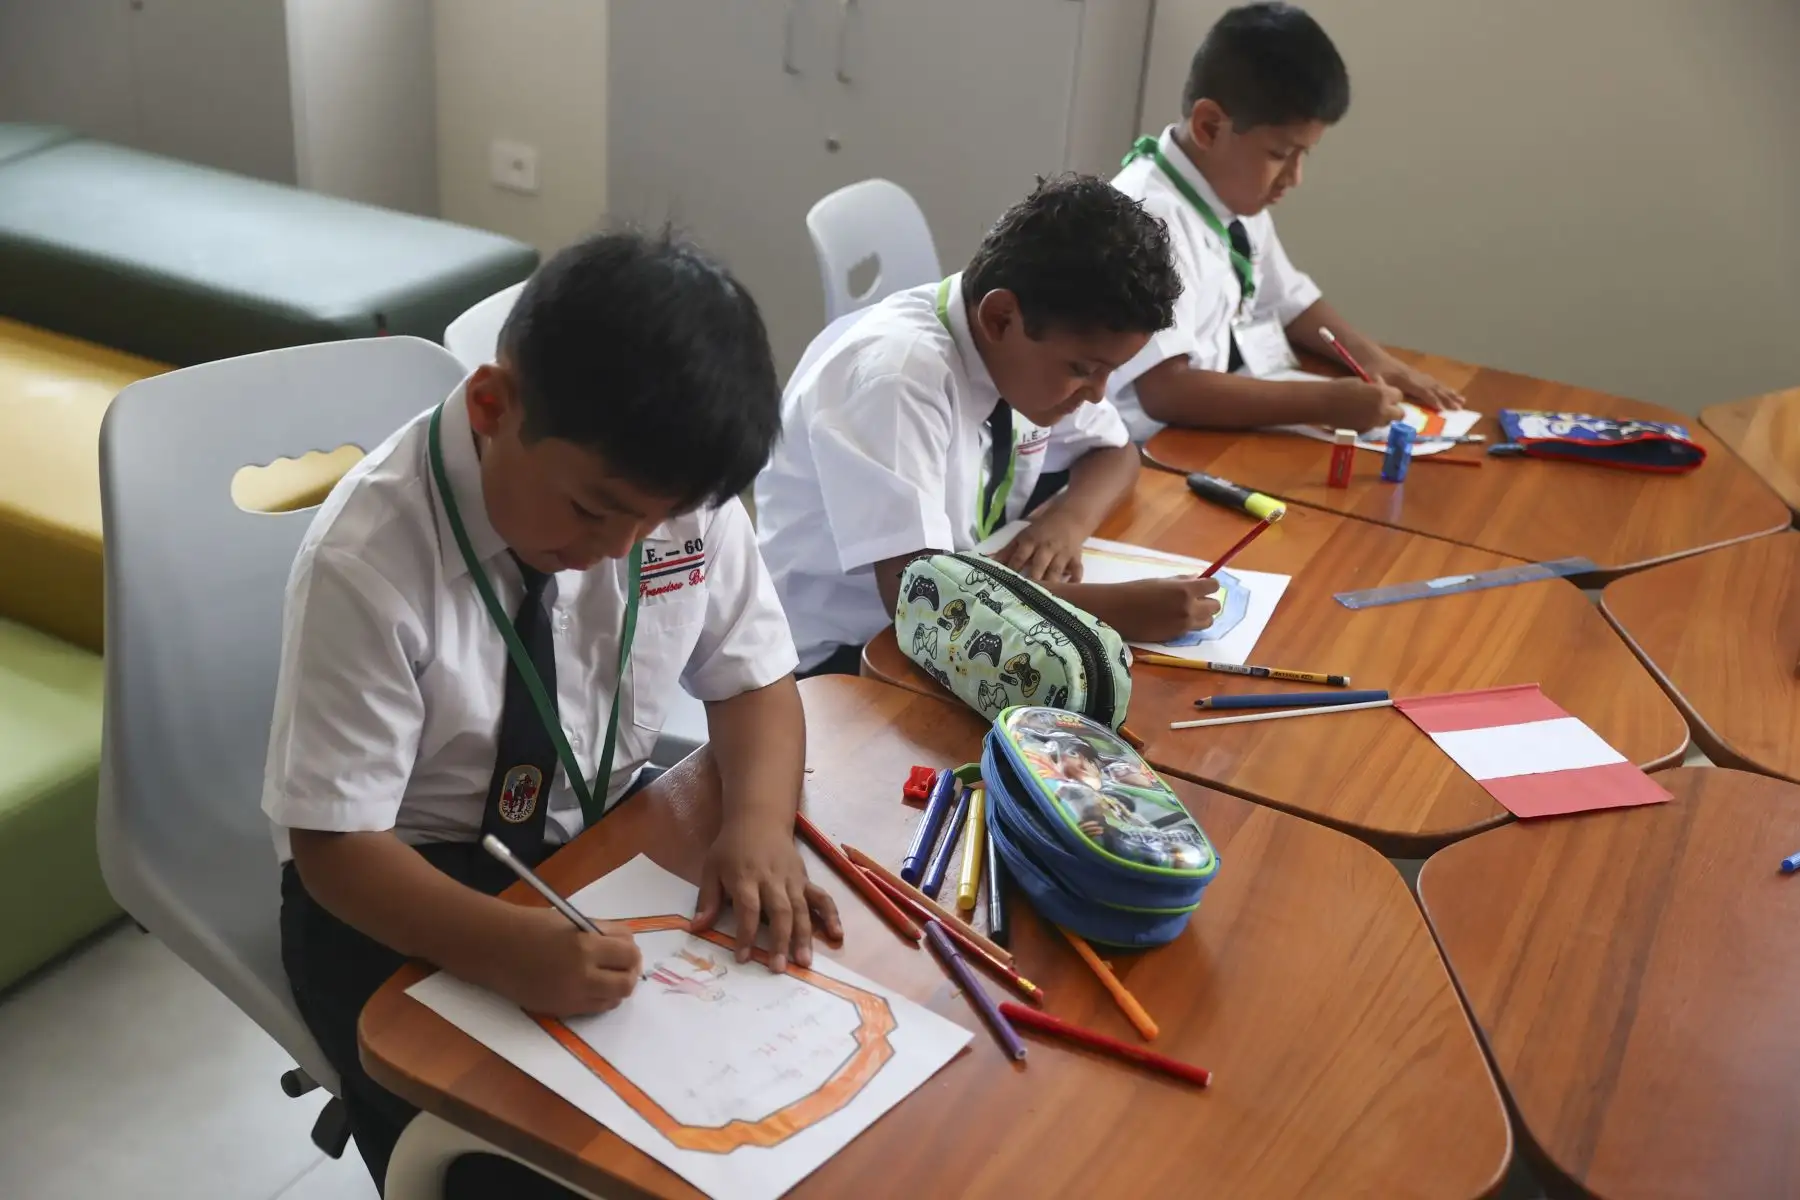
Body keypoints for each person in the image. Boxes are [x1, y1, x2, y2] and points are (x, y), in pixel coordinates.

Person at [263, 230, 842, 1197]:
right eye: (592, 510)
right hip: (406, 879)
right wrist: (498, 947)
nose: (621, 547)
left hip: (595, 834)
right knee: (530, 1164)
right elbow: (333, 849)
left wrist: (756, 827)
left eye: (653, 520)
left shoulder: (672, 499)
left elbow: (754, 682)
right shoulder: (368, 559)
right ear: (492, 407)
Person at [756, 174, 1222, 676]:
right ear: (1000, 317)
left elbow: (1116, 452)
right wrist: (1113, 611)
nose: (1097, 393)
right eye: (1085, 370)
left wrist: (1066, 523)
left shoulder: (1022, 353)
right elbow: (921, 602)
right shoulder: (897, 380)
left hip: (954, 602)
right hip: (843, 658)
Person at [1108, 1, 1465, 441]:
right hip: (1146, 446)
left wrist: (1374, 360)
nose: (1295, 178)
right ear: (1209, 127)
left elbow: (1288, 300)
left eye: (1304, 154)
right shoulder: (1150, 218)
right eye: (1280, 154)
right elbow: (1166, 391)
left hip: (1202, 427)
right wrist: (1324, 402)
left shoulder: (1231, 194)